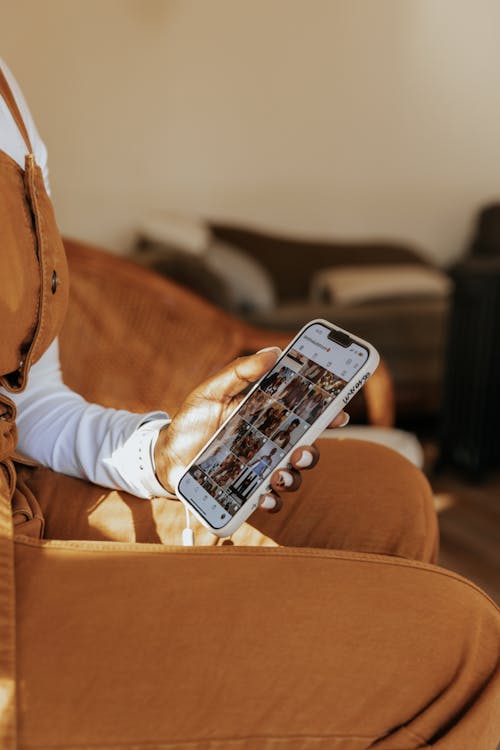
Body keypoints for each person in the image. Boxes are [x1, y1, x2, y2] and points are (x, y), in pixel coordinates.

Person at [0, 58, 499, 750]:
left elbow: (31, 402)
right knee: (461, 652)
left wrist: (163, 454)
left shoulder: (11, 97)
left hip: (18, 488)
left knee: (382, 494)